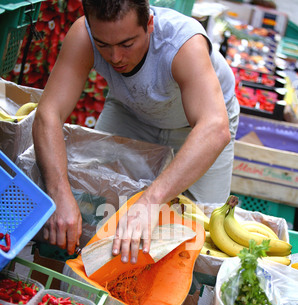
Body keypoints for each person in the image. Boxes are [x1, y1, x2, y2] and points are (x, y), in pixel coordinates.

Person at [32, 0, 239, 265]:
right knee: (96, 194)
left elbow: (214, 128)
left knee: (201, 226)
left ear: (149, 24)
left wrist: (151, 200)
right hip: (131, 111)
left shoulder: (183, 43)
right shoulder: (83, 34)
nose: (115, 57)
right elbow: (48, 113)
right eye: (103, 45)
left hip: (197, 127)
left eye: (127, 44)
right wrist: (58, 194)